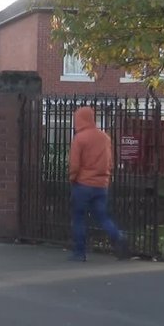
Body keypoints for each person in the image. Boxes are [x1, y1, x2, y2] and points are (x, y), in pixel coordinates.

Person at [68, 106, 128, 262]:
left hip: (83, 184)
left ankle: (79, 253)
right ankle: (118, 236)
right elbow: (110, 162)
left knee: (79, 218)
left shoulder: (79, 138)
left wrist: (72, 178)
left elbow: (74, 164)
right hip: (102, 184)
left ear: (79, 119)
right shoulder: (105, 137)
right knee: (102, 216)